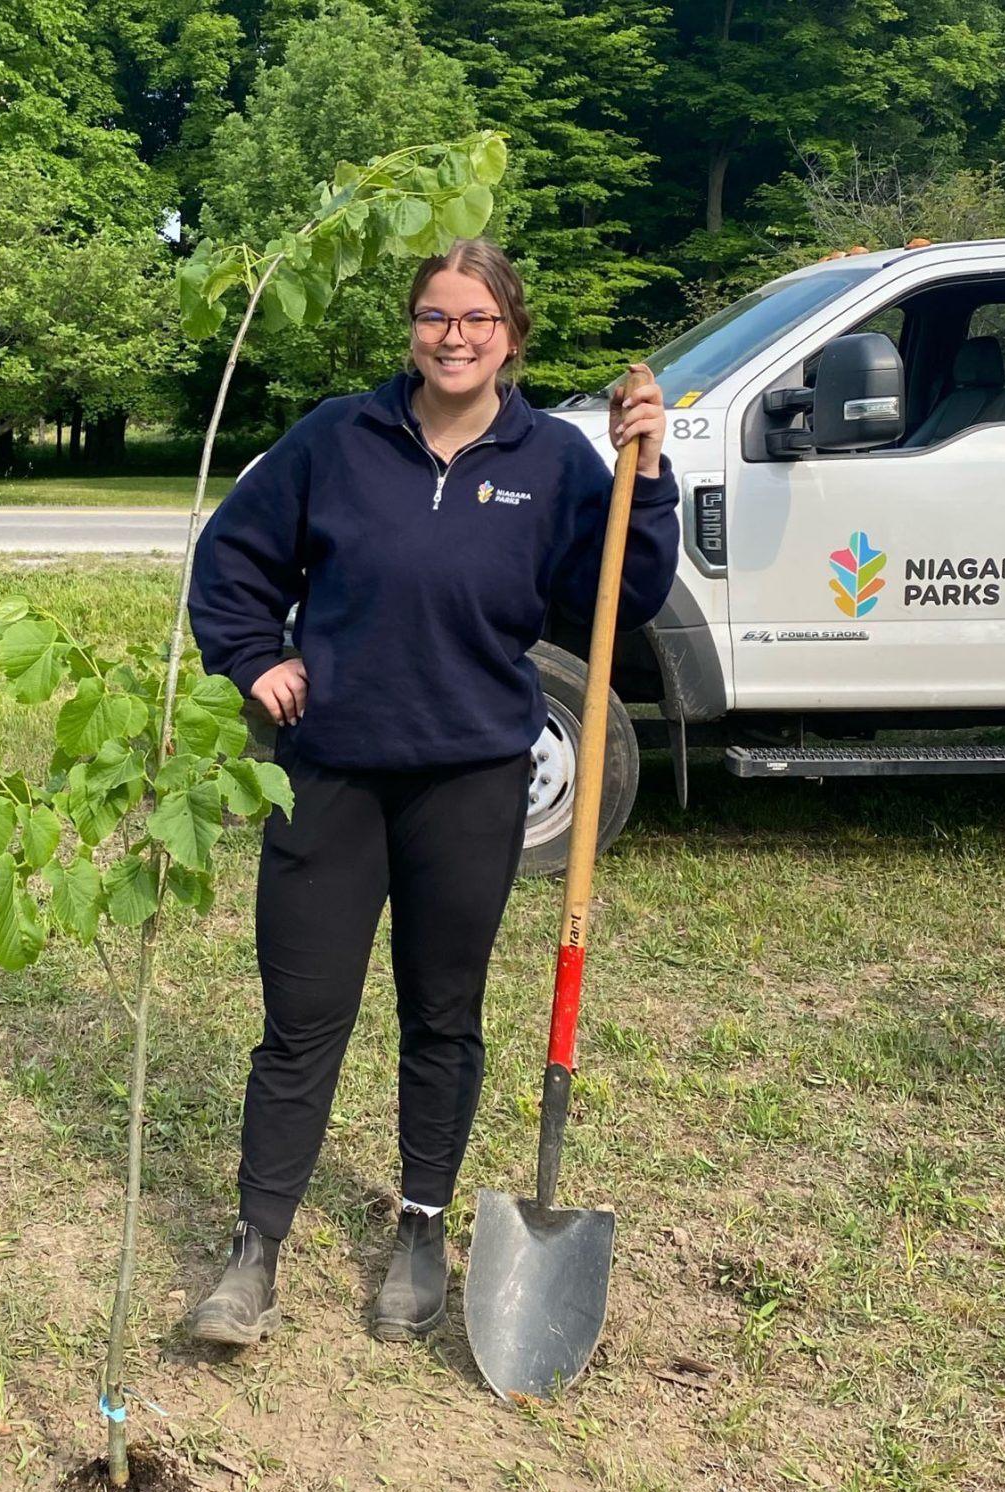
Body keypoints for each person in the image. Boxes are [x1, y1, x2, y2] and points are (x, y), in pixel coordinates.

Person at [185, 238, 677, 1345]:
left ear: (511, 333)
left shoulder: (550, 458)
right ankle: (253, 1247)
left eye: (476, 318)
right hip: (334, 770)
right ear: (409, 328)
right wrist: (256, 655)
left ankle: (418, 1226)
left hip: (470, 774)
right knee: (301, 1017)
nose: (453, 336)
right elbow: (233, 560)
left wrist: (645, 476)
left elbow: (624, 591)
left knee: (441, 1014)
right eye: (432, 316)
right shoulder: (337, 438)